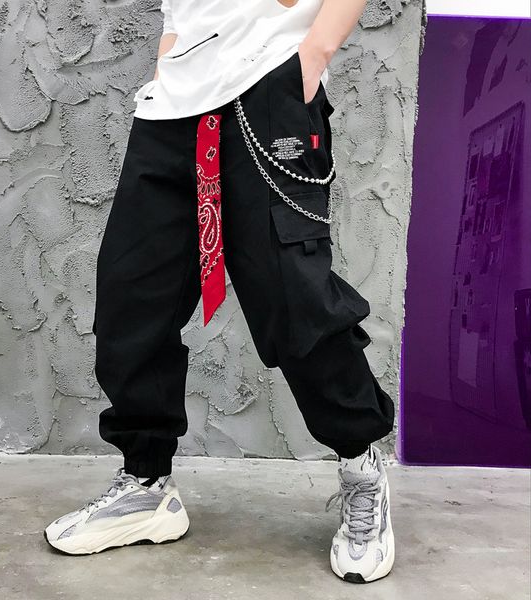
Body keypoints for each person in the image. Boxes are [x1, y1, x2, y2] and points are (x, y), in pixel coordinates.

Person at [44, 0, 396, 584]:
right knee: (131, 297)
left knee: (294, 297)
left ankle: (361, 466)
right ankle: (147, 483)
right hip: (170, 109)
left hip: (267, 91)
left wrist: (312, 57)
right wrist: (165, 72)